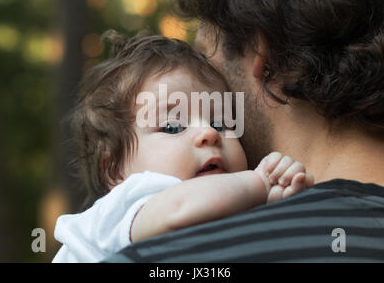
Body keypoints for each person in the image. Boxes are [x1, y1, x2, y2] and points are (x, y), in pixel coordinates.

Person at [105, 0, 384, 262]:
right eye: (173, 125)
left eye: (204, 59)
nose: (207, 131)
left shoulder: (167, 257)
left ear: (260, 52)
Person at [52, 31, 313, 262]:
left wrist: (275, 199)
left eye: (221, 122)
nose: (209, 133)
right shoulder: (125, 204)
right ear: (114, 169)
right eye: (173, 127)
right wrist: (261, 182)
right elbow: (179, 209)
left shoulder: (221, 204)